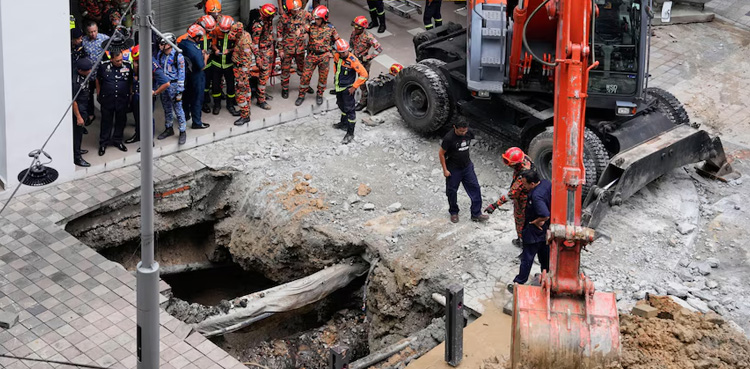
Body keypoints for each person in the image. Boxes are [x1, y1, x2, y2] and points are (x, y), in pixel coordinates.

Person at [508, 169, 551, 292]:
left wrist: (536, 222)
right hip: (546, 229)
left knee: (527, 258)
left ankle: (519, 282)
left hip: (534, 231)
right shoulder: (546, 183)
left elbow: (544, 214)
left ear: (532, 184)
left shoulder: (536, 196)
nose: (524, 186)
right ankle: (546, 276)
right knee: (545, 255)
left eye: (525, 184)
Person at [484, 147, 536, 247]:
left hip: (523, 200)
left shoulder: (522, 178)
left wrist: (495, 205)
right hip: (529, 195)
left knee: (520, 220)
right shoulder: (525, 159)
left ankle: (523, 242)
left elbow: (511, 194)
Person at [439, 120, 489, 223]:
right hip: (453, 169)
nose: (463, 133)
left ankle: (476, 213)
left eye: (464, 131)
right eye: (461, 131)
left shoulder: (468, 133)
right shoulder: (449, 138)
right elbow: (441, 154)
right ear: (455, 127)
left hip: (467, 166)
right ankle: (453, 212)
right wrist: (445, 170)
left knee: (475, 188)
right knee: (452, 191)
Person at [127, 46, 171, 151]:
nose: (135, 63)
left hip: (147, 96)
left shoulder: (152, 65)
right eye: (135, 61)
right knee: (137, 116)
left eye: (137, 61)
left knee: (147, 119)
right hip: (137, 94)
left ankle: (148, 142)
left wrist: (155, 93)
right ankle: (138, 135)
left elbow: (166, 83)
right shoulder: (136, 61)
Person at [295, 5, 340, 107]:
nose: (316, 20)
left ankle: (320, 94)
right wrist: (300, 32)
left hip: (324, 57)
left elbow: (338, 42)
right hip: (311, 56)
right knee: (305, 77)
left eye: (318, 19)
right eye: (315, 18)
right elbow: (303, 29)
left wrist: (332, 53)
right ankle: (301, 95)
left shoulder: (331, 28)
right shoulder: (311, 25)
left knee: (323, 78)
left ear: (324, 19)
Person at [96, 49, 133, 156]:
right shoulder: (104, 66)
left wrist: (130, 94)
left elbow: (130, 81)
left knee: (121, 121)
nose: (120, 62)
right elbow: (98, 79)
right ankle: (103, 143)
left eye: (121, 60)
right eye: (117, 61)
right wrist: (98, 93)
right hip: (107, 99)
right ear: (111, 59)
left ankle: (117, 140)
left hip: (122, 99)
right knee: (106, 121)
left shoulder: (127, 65)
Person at [331, 39, 368, 145]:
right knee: (341, 105)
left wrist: (354, 87)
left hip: (347, 89)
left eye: (345, 52)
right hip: (339, 87)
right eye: (341, 52)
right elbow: (335, 66)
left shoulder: (353, 60)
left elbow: (364, 75)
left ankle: (350, 133)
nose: (344, 54)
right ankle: (343, 123)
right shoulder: (337, 56)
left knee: (350, 110)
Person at [155, 33, 188, 145]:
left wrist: (180, 90)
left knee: (178, 109)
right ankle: (169, 128)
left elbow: (182, 74)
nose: (160, 46)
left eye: (162, 44)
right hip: (164, 85)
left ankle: (182, 130)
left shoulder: (178, 56)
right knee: (166, 108)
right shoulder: (160, 54)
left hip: (174, 86)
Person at [178, 24, 211, 129]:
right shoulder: (195, 51)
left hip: (186, 76)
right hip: (197, 77)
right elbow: (202, 66)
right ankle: (197, 122)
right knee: (197, 99)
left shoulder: (182, 43)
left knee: (186, 96)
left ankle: (186, 115)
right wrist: (205, 57)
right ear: (196, 37)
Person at [278, 0, 311, 99]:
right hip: (287, 48)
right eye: (294, 10)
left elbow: (314, 23)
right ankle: (285, 89)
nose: (296, 12)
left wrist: (304, 30)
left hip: (300, 48)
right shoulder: (284, 18)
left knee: (303, 69)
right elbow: (279, 35)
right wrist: (280, 50)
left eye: (297, 9)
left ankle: (305, 86)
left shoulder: (305, 14)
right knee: (285, 70)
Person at [348, 16, 382, 111]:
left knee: (362, 83)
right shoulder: (354, 33)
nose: (354, 29)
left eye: (357, 27)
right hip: (353, 60)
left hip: (363, 63)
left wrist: (367, 57)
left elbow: (379, 49)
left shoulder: (368, 37)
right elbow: (351, 44)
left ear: (362, 28)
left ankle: (363, 101)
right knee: (348, 77)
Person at [209, 15, 239, 116]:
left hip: (229, 64)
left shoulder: (235, 33)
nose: (224, 32)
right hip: (216, 63)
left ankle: (230, 105)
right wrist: (216, 50)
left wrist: (229, 50)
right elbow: (213, 43)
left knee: (231, 87)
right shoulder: (216, 30)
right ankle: (217, 105)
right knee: (216, 86)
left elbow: (238, 46)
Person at [82, 21, 110, 125]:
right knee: (88, 95)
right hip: (88, 75)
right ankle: (90, 114)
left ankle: (105, 114)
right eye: (90, 32)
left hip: (100, 74)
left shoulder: (104, 38)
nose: (93, 34)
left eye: (94, 31)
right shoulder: (84, 41)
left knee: (103, 94)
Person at [251, 3, 278, 110]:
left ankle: (261, 93)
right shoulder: (258, 25)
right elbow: (254, 44)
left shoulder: (268, 19)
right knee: (263, 76)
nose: (272, 17)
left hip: (269, 49)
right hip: (263, 52)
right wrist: (258, 58)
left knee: (267, 75)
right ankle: (260, 100)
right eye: (271, 15)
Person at [228, 22, 253, 126]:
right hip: (239, 68)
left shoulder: (245, 42)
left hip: (241, 71)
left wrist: (242, 78)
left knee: (240, 92)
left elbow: (246, 61)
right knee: (246, 90)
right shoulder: (243, 35)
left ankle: (245, 116)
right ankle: (246, 111)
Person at [72, 58, 93, 167]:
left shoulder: (84, 76)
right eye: (87, 70)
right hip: (78, 109)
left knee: (79, 134)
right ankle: (77, 157)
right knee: (77, 134)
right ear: (80, 70)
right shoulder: (76, 82)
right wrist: (79, 117)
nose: (90, 71)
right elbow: (73, 101)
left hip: (84, 107)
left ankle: (78, 149)